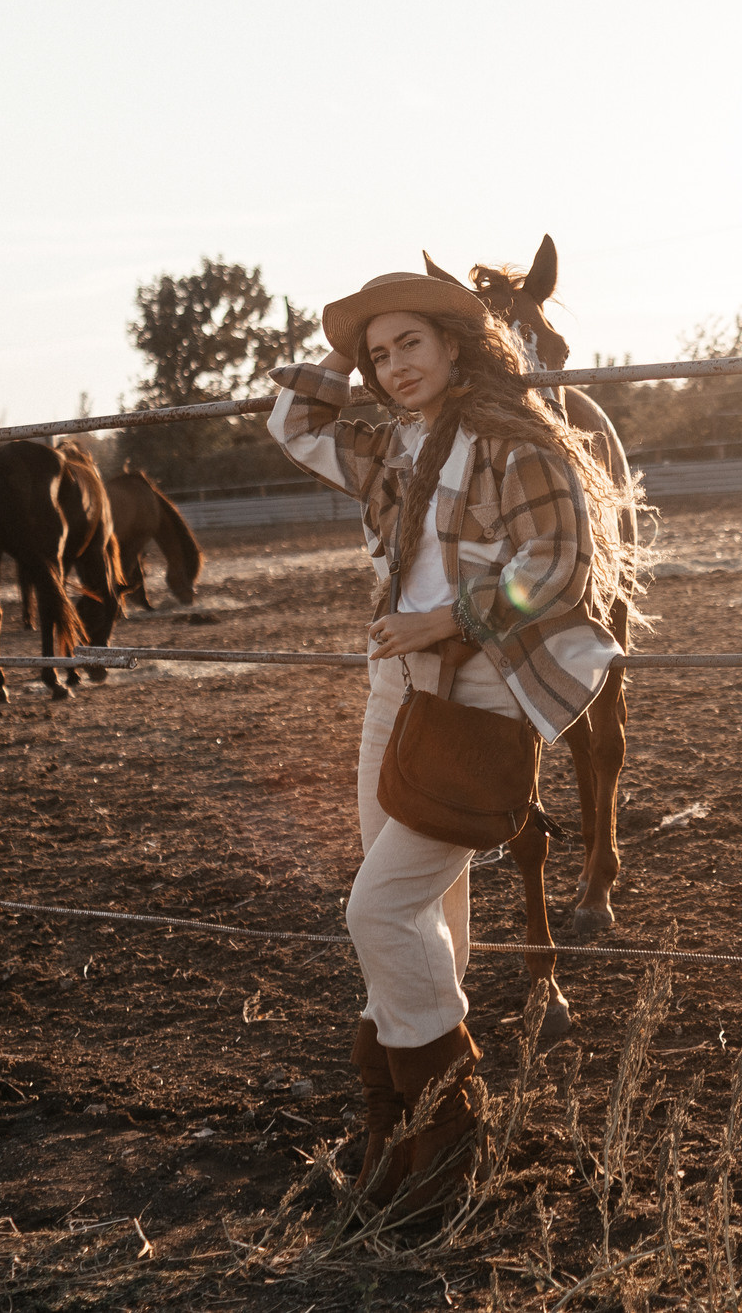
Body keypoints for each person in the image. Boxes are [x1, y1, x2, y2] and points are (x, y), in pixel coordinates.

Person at [264, 270, 645, 1217]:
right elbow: (294, 422)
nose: (395, 365)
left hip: (478, 686)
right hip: (393, 688)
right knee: (424, 915)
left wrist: (449, 618)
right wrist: (343, 339)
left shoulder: (516, 443)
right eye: (378, 354)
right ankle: (397, 1131)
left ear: (453, 344)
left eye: (411, 344)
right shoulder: (389, 446)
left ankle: (447, 1127)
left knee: (378, 909)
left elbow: (556, 562)